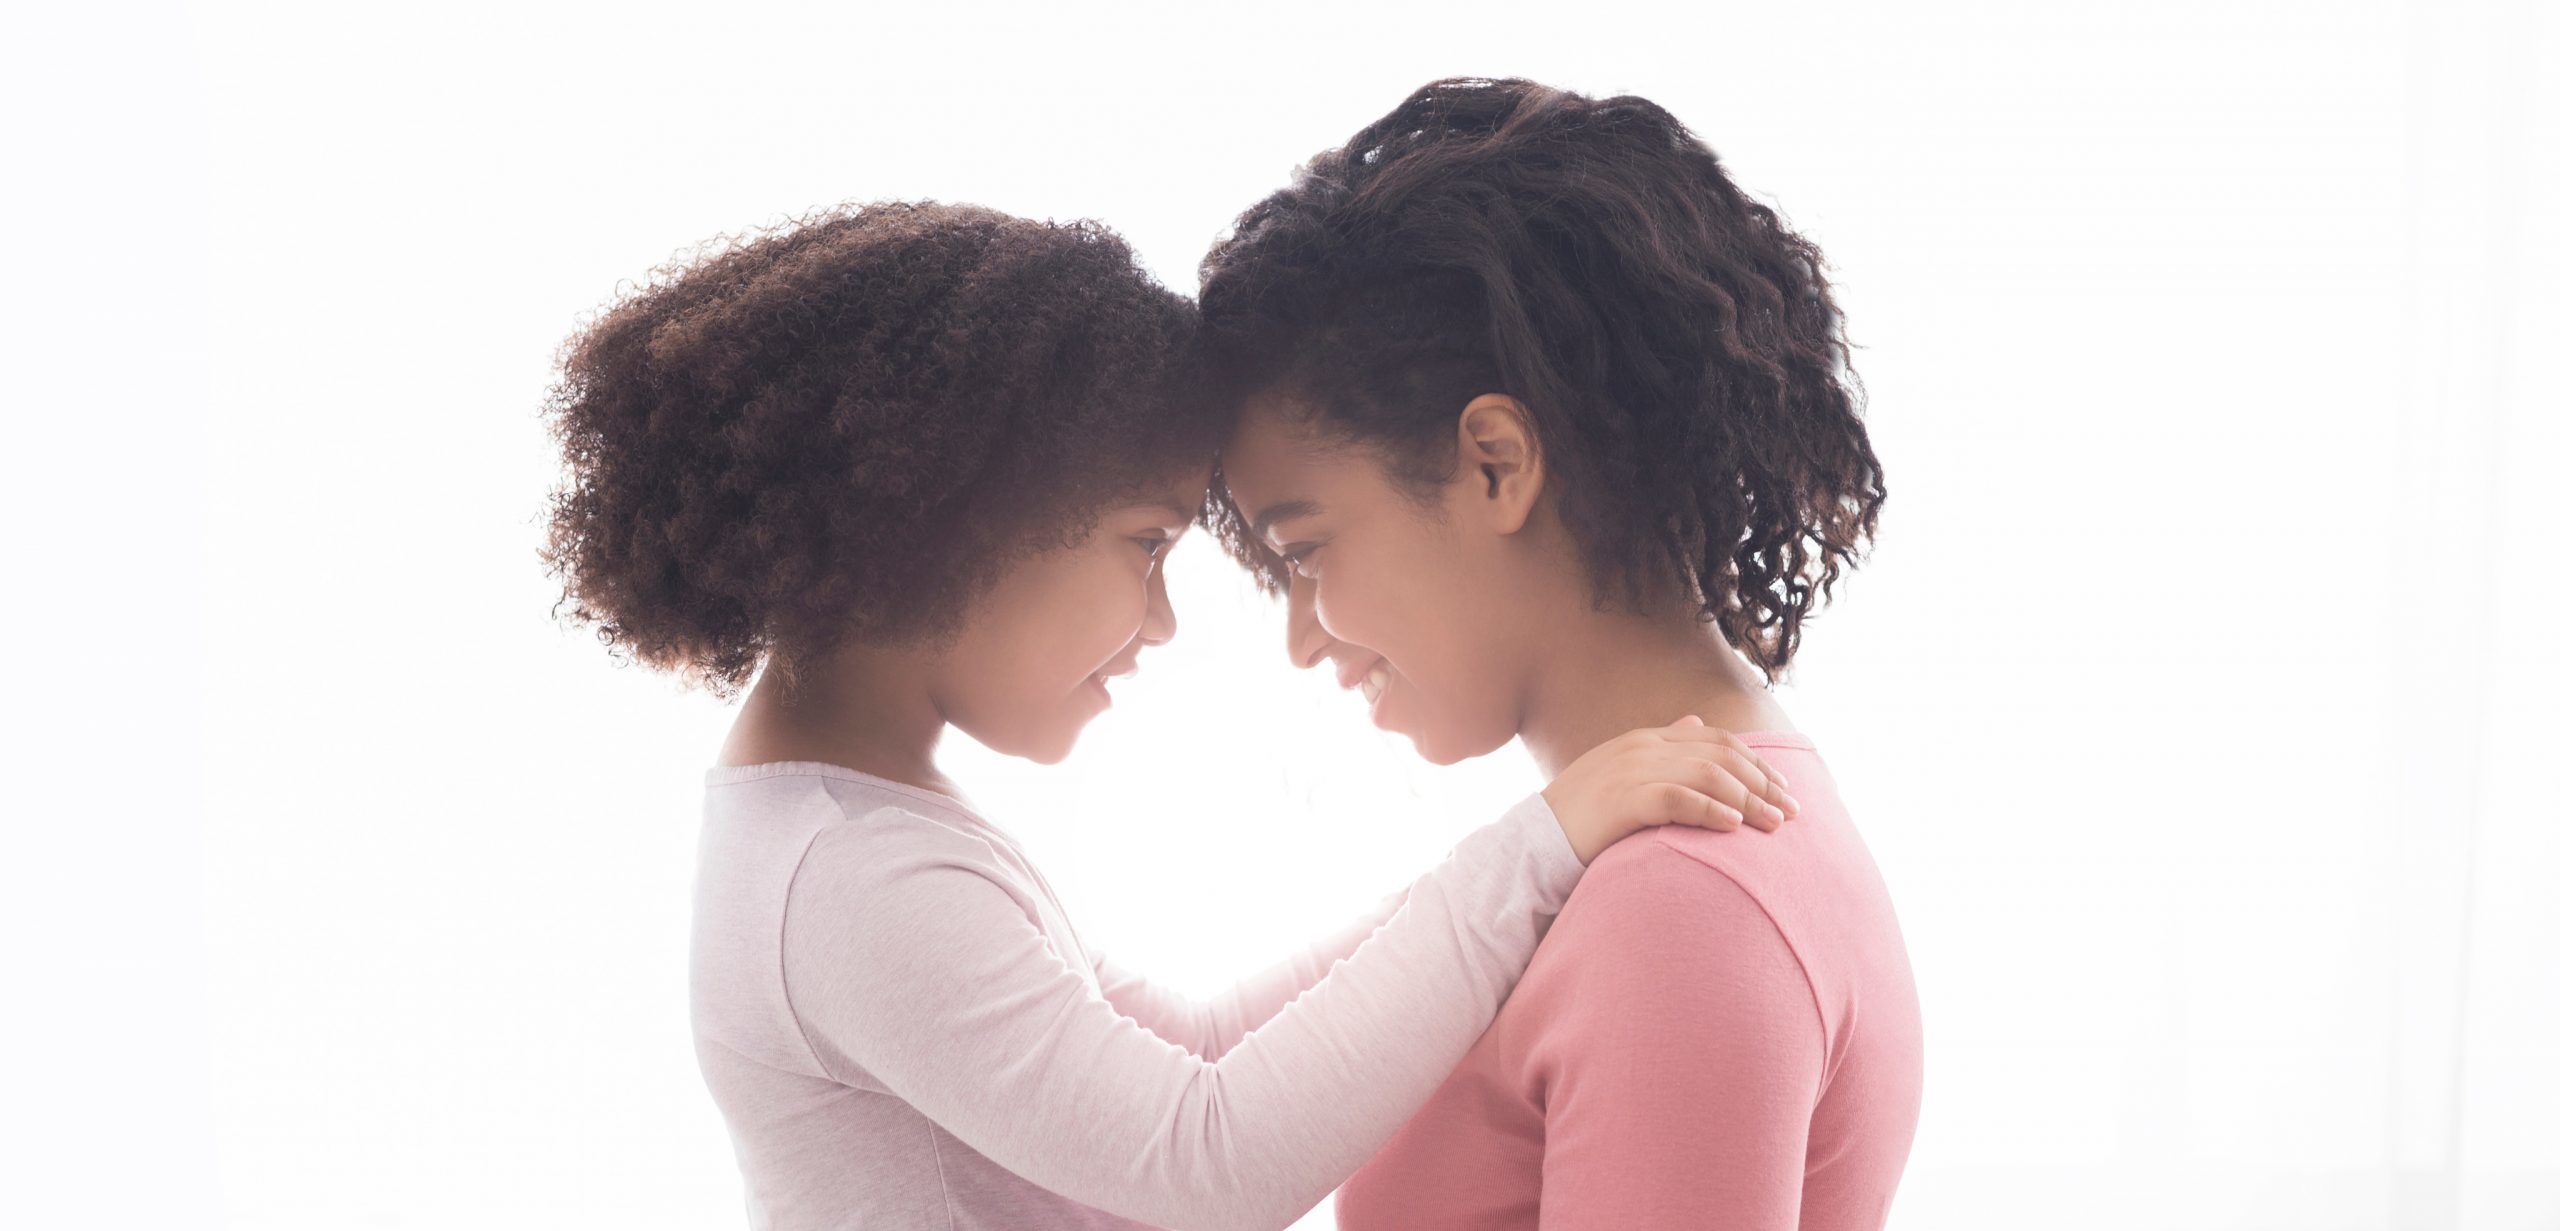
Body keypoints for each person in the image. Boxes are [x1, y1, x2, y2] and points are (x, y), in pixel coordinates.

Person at [537, 200, 1801, 1229]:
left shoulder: (850, 830)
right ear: (961, 517)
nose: (1159, 623)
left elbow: (1187, 1044)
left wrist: (1544, 863)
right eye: (1144, 546)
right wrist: (1539, 848)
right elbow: (1206, 1166)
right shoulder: (849, 882)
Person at [1197, 77, 1923, 1228]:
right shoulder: (1701, 843)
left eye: (1308, 548)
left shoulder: (1681, 902)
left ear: (1494, 462)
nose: (1301, 637)